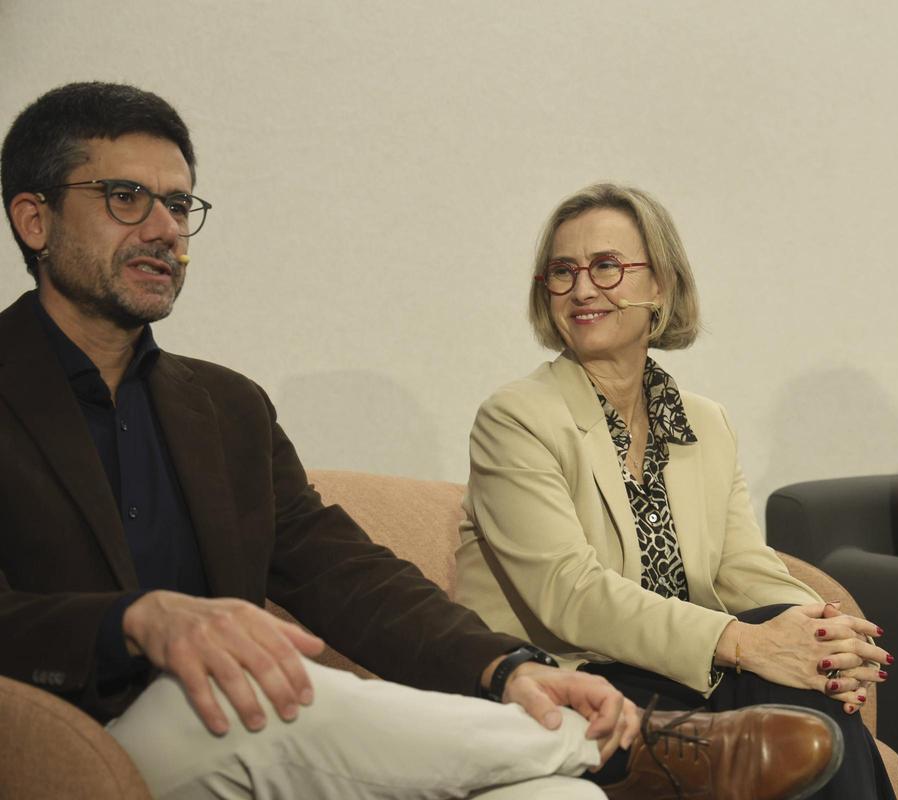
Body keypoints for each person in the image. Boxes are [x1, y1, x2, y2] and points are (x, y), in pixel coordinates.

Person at [0, 83, 837, 800]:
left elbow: (345, 574)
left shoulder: (225, 409)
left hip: (242, 741)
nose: (163, 230)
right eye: (125, 199)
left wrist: (509, 671)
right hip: (72, 733)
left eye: (179, 205)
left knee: (547, 792)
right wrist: (130, 621)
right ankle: (634, 750)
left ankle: (594, 760)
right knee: (259, 694)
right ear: (34, 219)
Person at [454, 182, 898, 799]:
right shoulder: (517, 417)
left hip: (670, 674)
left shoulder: (703, 422)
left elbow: (742, 567)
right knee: (787, 692)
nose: (583, 289)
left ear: (658, 284)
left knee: (802, 684)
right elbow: (570, 594)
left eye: (607, 267)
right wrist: (746, 643)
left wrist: (820, 634)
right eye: (563, 272)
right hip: (563, 682)